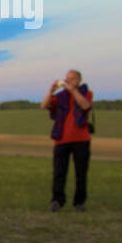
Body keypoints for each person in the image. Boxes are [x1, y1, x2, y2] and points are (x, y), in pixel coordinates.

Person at [40, 69, 93, 212]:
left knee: (81, 173)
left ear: (79, 80)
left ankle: (79, 203)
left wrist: (73, 91)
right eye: (67, 78)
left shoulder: (86, 92)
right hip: (61, 139)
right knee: (59, 173)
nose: (69, 81)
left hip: (81, 139)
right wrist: (51, 90)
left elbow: (85, 105)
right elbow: (44, 105)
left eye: (73, 78)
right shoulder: (60, 96)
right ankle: (57, 201)